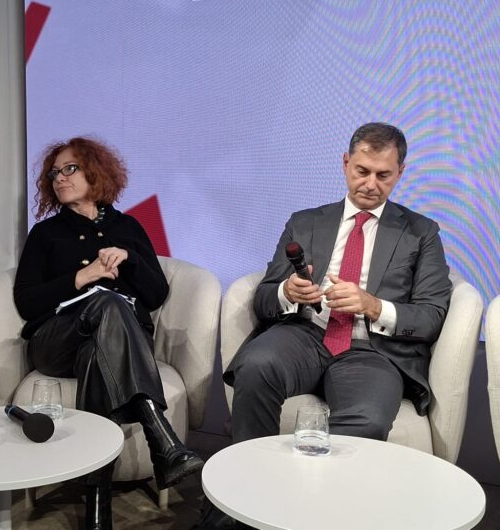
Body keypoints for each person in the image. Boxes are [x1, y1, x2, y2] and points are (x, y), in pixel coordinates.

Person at [193, 122, 452, 529]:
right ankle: (243, 504)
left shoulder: (421, 233)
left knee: (367, 419)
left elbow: (432, 314)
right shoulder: (306, 222)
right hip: (305, 334)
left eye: (383, 175)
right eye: (362, 171)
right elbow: (263, 298)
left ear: (400, 172)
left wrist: (373, 305)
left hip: (373, 351)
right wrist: (288, 293)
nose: (370, 184)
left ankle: (312, 510)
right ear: (345, 163)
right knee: (256, 367)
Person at [13, 136, 203, 530]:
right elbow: (26, 303)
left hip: (114, 344)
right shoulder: (46, 235)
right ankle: (161, 439)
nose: (59, 178)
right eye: (54, 173)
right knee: (108, 303)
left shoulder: (128, 227)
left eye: (70, 169)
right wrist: (82, 277)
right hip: (56, 342)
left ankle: (97, 508)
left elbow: (155, 294)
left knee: (100, 355)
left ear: (94, 173)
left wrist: (130, 259)